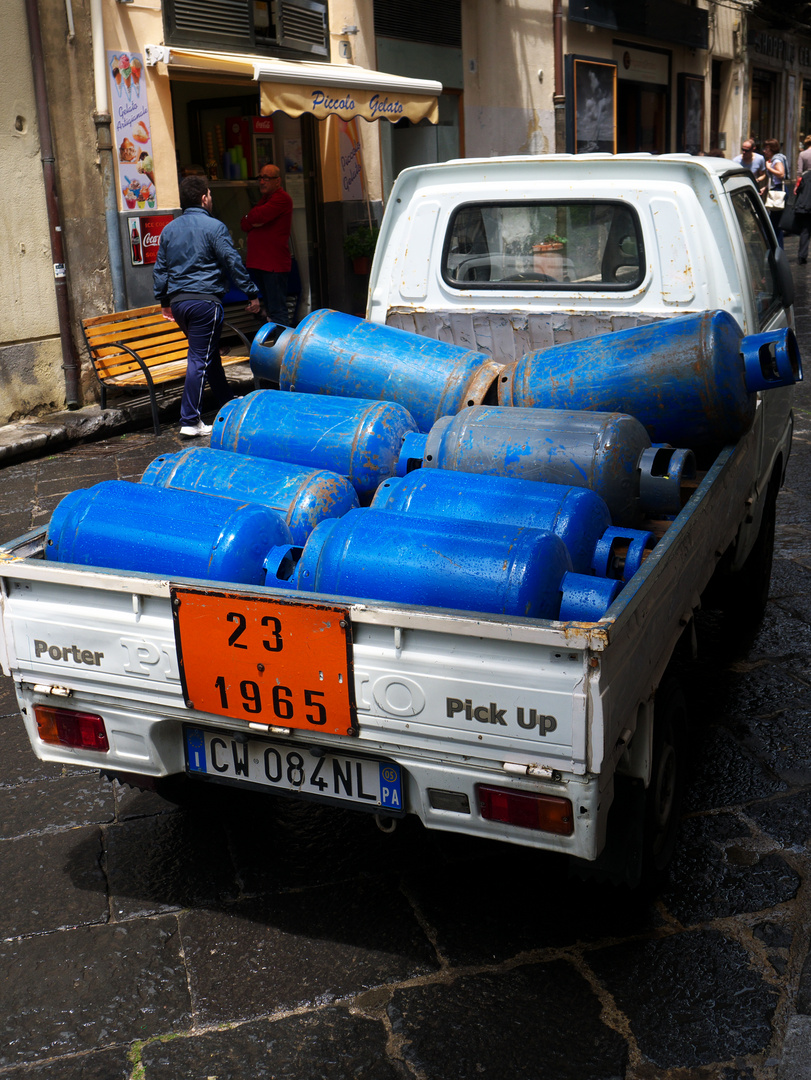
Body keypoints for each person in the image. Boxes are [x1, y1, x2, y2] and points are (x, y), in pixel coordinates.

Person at [153, 175, 261, 437]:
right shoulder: (215, 227)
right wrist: (251, 293)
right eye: (210, 195)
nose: (211, 199)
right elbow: (232, 261)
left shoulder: (169, 230)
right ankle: (190, 420)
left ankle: (226, 402)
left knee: (208, 355)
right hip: (205, 302)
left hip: (180, 304)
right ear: (204, 198)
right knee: (199, 358)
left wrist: (164, 301)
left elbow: (161, 269)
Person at [240, 165, 294, 326]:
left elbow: (258, 215)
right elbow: (244, 223)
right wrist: (251, 219)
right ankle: (276, 345)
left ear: (278, 181)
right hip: (261, 264)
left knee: (277, 310)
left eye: (267, 178)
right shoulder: (265, 199)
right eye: (260, 178)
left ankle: (282, 347)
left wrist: (252, 218)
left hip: (273, 265)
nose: (262, 182)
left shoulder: (281, 198)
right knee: (269, 309)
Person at [762, 138, 788, 248]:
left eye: (766, 148)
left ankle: (777, 248)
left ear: (771, 149)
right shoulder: (777, 158)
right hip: (775, 189)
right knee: (774, 222)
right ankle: (776, 247)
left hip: (778, 191)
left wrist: (768, 168)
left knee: (775, 223)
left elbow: (781, 174)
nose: (764, 151)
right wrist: (765, 187)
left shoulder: (776, 160)